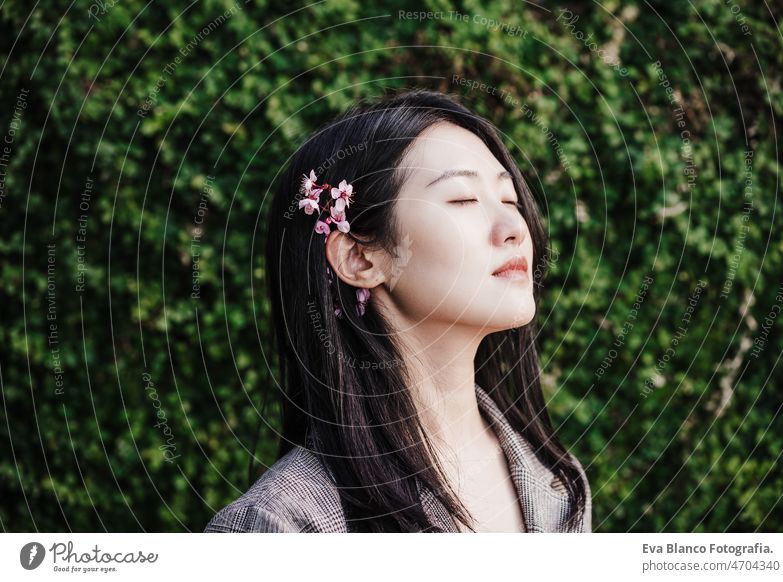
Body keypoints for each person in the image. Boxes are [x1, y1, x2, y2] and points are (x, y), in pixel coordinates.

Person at [205, 88, 592, 533]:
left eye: (509, 200)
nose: (513, 229)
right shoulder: (282, 527)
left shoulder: (557, 480)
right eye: (463, 199)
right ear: (359, 258)